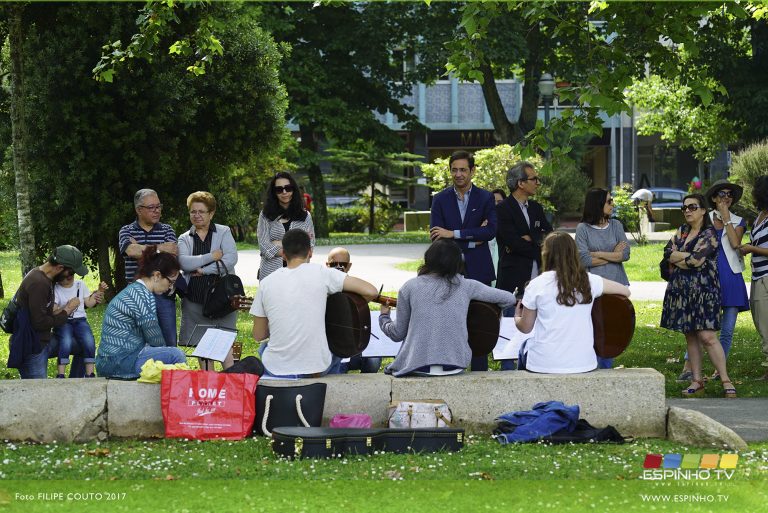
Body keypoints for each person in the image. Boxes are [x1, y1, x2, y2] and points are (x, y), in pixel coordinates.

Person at [379, 239, 517, 377]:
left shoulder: (410, 287)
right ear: (458, 262)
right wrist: (473, 311)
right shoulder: (467, 285)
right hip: (455, 365)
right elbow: (509, 299)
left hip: (417, 365)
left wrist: (384, 317)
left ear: (428, 259)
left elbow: (397, 334)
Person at [250, 229, 378, 378]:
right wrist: (340, 311)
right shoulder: (323, 273)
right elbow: (371, 291)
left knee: (263, 347)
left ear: (283, 254)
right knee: (334, 347)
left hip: (276, 368)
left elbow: (258, 335)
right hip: (316, 367)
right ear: (310, 252)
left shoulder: (266, 283)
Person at [514, 232, 631, 374]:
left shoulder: (536, 284)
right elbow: (625, 291)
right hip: (583, 362)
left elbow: (526, 327)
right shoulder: (589, 280)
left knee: (524, 347)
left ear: (546, 254)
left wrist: (517, 317)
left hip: (544, 363)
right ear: (573, 254)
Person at [660, 194, 736, 398]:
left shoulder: (709, 234)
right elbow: (668, 252)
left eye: (692, 207)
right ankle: (697, 381)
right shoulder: (682, 231)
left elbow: (696, 261)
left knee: (707, 336)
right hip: (682, 291)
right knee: (691, 335)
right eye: (684, 207)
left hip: (705, 293)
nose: (687, 211)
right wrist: (686, 257)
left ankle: (725, 380)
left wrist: (680, 257)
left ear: (703, 210)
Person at [429, 150, 497, 371]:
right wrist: (473, 238)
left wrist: (454, 234)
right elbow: (437, 237)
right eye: (454, 170)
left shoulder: (485, 198)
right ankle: (450, 370)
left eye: (463, 170)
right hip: (447, 271)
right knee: (449, 323)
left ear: (472, 171)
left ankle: (479, 372)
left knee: (479, 323)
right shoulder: (440, 199)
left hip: (479, 269)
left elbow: (490, 232)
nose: (458, 174)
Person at [678, 180, 749, 381]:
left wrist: (726, 219)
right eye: (722, 194)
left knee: (727, 329)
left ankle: (720, 370)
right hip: (705, 277)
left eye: (729, 194)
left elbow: (735, 244)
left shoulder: (739, 221)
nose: (726, 197)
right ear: (714, 198)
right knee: (700, 325)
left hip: (731, 277)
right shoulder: (704, 217)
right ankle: (688, 367)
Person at [96, 247, 187, 379]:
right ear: (157, 275)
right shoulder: (143, 295)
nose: (171, 287)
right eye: (171, 282)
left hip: (111, 361)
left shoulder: (135, 290)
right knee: (176, 355)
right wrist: (164, 350)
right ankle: (178, 392)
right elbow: (155, 339)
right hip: (119, 362)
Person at [178, 191, 238, 370]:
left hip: (222, 300)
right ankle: (208, 382)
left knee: (225, 346)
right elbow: (184, 262)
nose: (196, 215)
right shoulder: (184, 238)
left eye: (201, 211)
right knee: (202, 348)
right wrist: (211, 256)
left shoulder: (223, 231)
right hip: (194, 300)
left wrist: (203, 270)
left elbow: (230, 259)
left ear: (211, 213)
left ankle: (231, 381)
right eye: (193, 211)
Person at [10, 245, 87, 379]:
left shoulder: (45, 277)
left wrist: (65, 308)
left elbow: (45, 312)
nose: (71, 277)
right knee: (38, 391)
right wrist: (67, 310)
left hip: (44, 340)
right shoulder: (39, 283)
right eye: (71, 273)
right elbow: (39, 323)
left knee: (84, 345)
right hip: (32, 347)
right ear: (60, 268)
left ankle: (74, 384)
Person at [575, 188, 630, 369]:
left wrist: (596, 253)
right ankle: (590, 366)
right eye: (609, 201)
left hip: (617, 285)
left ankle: (605, 369)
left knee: (611, 331)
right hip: (592, 288)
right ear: (597, 204)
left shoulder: (616, 225)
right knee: (593, 329)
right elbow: (583, 260)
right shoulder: (583, 229)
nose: (613, 204)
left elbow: (625, 254)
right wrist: (613, 254)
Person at [119, 188, 179, 346]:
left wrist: (142, 249)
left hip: (163, 294)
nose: (157, 210)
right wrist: (160, 248)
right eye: (151, 207)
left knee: (169, 341)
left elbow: (170, 257)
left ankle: (169, 363)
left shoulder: (167, 230)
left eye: (159, 206)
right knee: (138, 342)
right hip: (136, 296)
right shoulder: (126, 230)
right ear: (139, 210)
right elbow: (131, 251)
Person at [496, 161, 553, 301]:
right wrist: (538, 243)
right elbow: (514, 243)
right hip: (514, 279)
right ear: (521, 183)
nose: (538, 183)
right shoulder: (502, 209)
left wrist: (530, 238)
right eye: (534, 179)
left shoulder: (536, 207)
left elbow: (549, 235)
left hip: (539, 275)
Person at [326, 247, 382, 374]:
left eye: (343, 264)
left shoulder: (354, 286)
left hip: (352, 341)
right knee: (336, 369)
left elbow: (371, 293)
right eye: (334, 264)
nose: (339, 268)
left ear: (349, 266)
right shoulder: (323, 284)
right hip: (333, 343)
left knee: (373, 361)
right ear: (327, 264)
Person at [257, 172, 315, 281]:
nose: (284, 192)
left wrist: (278, 243)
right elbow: (264, 245)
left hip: (299, 273)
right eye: (279, 189)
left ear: (293, 189)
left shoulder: (305, 216)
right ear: (274, 192)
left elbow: (309, 245)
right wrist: (294, 248)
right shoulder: (265, 215)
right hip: (271, 274)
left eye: (288, 188)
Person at [739, 175, 768, 380]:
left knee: (765, 323)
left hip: (766, 275)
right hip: (758, 275)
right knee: (760, 321)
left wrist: (751, 249)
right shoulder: (760, 216)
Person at [53, 274, 108, 378]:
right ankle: (61, 374)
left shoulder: (80, 284)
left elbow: (89, 303)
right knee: (66, 341)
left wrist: (100, 291)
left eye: (71, 274)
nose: (69, 278)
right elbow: (54, 311)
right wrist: (67, 306)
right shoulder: (56, 288)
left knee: (89, 340)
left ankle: (90, 374)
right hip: (64, 320)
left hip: (80, 320)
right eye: (65, 276)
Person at [489, 189, 507, 288]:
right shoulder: (481, 221)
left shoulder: (509, 222)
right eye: (493, 202)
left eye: (499, 202)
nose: (496, 204)